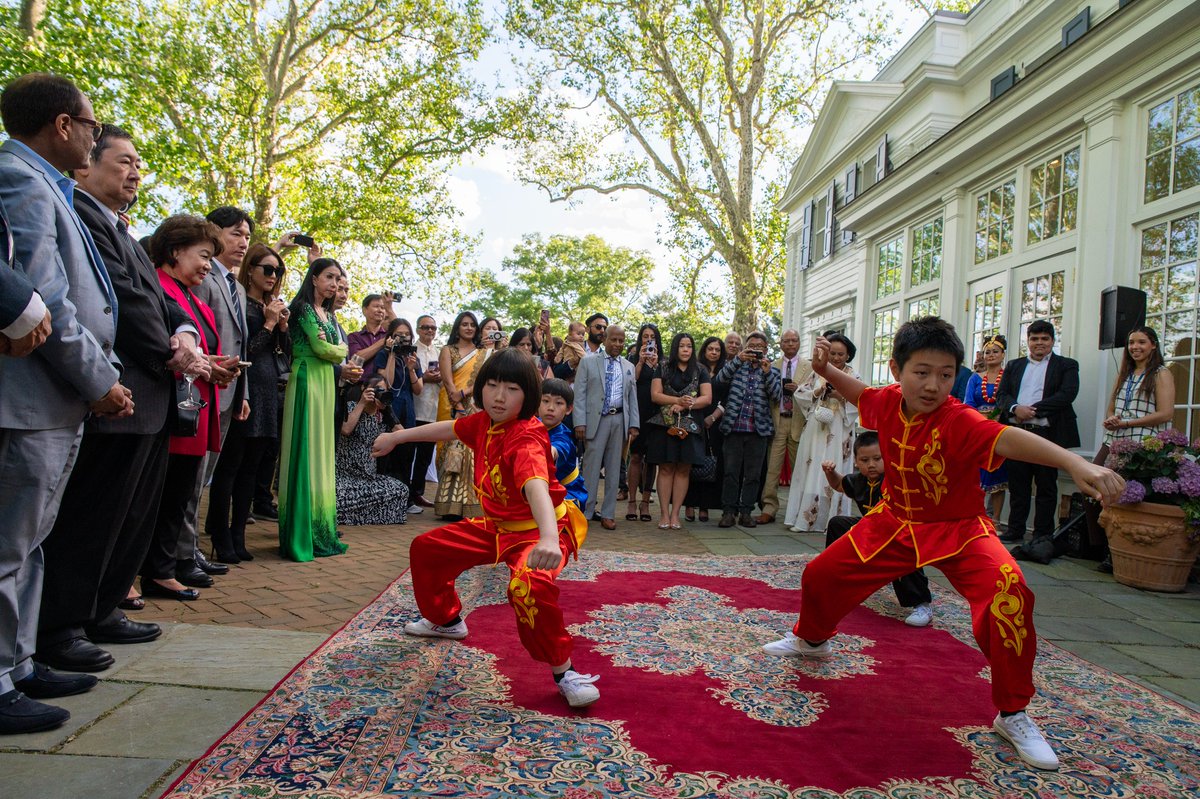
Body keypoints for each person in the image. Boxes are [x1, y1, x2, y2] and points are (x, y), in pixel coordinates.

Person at [762, 316, 1125, 772]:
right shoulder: (887, 401)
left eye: (946, 374)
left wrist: (1076, 465)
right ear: (897, 370)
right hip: (895, 520)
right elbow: (859, 393)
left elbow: (1008, 438)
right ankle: (812, 640)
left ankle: (1013, 714)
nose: (933, 385)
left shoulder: (960, 419)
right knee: (821, 574)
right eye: (922, 372)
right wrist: (825, 370)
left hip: (960, 529)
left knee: (1008, 592)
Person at [39, 125, 206, 671]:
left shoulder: (124, 232)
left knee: (130, 517)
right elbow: (128, 304)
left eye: (139, 164)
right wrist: (174, 353)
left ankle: (103, 607)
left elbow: (163, 300)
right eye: (125, 161)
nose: (136, 172)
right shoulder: (82, 217)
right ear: (86, 164)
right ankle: (62, 626)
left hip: (151, 399)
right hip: (120, 391)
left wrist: (184, 333)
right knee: (93, 517)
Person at [0, 74, 130, 733]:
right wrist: (99, 380)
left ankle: (19, 662)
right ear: (61, 124)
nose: (92, 134)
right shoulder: (20, 180)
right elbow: (45, 298)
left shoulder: (47, 184)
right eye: (90, 124)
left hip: (55, 400)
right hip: (31, 396)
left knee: (31, 542)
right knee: (8, 544)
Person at [371, 349, 599, 708]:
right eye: (492, 385)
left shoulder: (526, 437)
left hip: (540, 529)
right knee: (428, 548)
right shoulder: (485, 422)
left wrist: (549, 539)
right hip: (497, 527)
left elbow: (536, 486)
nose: (499, 396)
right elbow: (449, 428)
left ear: (528, 395)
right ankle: (446, 620)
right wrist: (397, 437)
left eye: (511, 389)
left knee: (527, 586)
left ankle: (565, 672)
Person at [141, 216, 228, 603]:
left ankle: (163, 569)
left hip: (195, 406)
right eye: (204, 255)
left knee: (179, 493)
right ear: (175, 251)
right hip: (168, 406)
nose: (208, 265)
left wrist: (216, 366)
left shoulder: (196, 300)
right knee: (158, 495)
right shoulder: (159, 287)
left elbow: (201, 350)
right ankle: (151, 569)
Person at [206, 244, 292, 563]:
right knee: (230, 467)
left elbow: (284, 355)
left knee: (252, 470)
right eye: (267, 269)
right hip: (244, 388)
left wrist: (281, 327)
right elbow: (246, 352)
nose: (273, 275)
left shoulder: (271, 306)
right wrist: (268, 324)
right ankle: (219, 534)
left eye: (278, 271)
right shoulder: (240, 301)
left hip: (268, 392)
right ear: (251, 270)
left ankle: (238, 535)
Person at [821, 431, 933, 627]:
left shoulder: (897, 480)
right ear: (856, 462)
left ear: (887, 457)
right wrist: (830, 472)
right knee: (838, 524)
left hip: (897, 533)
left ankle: (921, 604)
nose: (871, 464)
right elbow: (838, 484)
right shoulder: (858, 481)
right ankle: (837, 581)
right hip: (870, 530)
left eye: (877, 459)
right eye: (865, 460)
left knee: (907, 551)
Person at [278, 258, 350, 561]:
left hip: (325, 381)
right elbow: (323, 349)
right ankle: (301, 531)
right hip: (306, 377)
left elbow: (336, 348)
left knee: (322, 450)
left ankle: (320, 527)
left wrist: (335, 349)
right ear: (314, 278)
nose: (334, 284)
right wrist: (339, 350)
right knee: (306, 449)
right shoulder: (303, 309)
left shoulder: (328, 314)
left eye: (338, 279)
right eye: (329, 277)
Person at [994, 321, 1080, 564]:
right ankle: (1015, 529)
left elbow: (1067, 394)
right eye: (1034, 338)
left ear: (1052, 341)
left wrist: (1032, 410)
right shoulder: (1014, 365)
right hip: (1017, 433)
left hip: (1047, 434)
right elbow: (1002, 395)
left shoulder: (1066, 365)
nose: (1039, 343)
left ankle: (1042, 533)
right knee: (1018, 484)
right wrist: (1015, 408)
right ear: (1028, 341)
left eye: (1044, 338)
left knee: (1046, 485)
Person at [1090, 325, 1174, 572]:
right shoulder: (1125, 373)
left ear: (1153, 345)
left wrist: (1128, 422)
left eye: (1141, 342)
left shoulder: (1160, 373)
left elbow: (1165, 413)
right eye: (1131, 343)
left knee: (1123, 494)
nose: (1135, 347)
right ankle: (1099, 546)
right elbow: (1112, 407)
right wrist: (1112, 419)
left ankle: (1114, 553)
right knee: (1091, 482)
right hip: (1114, 438)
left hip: (1142, 442)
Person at [784, 332, 860, 532]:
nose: (836, 358)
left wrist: (840, 396)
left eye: (841, 354)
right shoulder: (818, 372)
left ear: (848, 355)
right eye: (832, 353)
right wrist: (819, 391)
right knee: (812, 467)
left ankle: (833, 520)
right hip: (817, 427)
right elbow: (800, 393)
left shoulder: (853, 376)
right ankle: (805, 518)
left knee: (835, 468)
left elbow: (860, 401)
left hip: (840, 428)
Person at [711, 331, 781, 528]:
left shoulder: (773, 371)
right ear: (745, 348)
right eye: (752, 346)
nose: (756, 350)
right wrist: (738, 360)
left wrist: (767, 373)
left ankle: (746, 512)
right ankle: (728, 512)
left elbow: (777, 396)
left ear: (766, 349)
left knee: (753, 475)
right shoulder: (735, 365)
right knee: (730, 473)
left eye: (760, 347)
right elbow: (719, 380)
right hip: (733, 428)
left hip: (758, 431)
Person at [573, 325, 640, 529]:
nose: (618, 344)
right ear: (605, 339)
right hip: (596, 421)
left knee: (614, 468)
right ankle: (586, 511)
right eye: (614, 340)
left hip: (619, 420)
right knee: (591, 468)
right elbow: (580, 394)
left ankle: (608, 514)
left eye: (621, 341)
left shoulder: (628, 366)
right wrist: (579, 422)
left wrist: (634, 424)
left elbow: (632, 398)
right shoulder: (588, 362)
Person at [646, 333, 712, 529]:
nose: (685, 349)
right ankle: (664, 514)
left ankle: (676, 515)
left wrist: (686, 405)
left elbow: (707, 398)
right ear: (675, 348)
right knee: (666, 468)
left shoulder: (700, 369)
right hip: (665, 424)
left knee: (683, 469)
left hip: (691, 424)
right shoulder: (663, 367)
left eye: (689, 346)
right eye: (682, 346)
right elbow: (655, 395)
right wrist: (677, 400)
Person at [336, 375, 410, 525]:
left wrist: (388, 409)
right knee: (339, 495)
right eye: (377, 390)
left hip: (369, 478)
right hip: (345, 476)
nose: (380, 393)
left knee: (401, 490)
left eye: (384, 391)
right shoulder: (351, 407)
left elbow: (403, 436)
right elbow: (346, 429)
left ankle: (356, 512)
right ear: (364, 389)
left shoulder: (382, 416)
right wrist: (362, 403)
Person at [435, 311, 483, 519]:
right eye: (465, 324)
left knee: (470, 452)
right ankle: (448, 504)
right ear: (458, 327)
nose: (469, 328)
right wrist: (458, 404)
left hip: (474, 405)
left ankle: (468, 503)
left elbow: (483, 379)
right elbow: (447, 380)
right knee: (448, 450)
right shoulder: (448, 350)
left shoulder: (482, 353)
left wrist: (465, 394)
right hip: (450, 404)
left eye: (472, 324)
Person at [376, 317, 425, 512]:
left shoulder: (414, 358)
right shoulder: (384, 354)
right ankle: (385, 500)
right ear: (390, 337)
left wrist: (411, 370)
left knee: (406, 455)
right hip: (390, 408)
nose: (403, 338)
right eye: (399, 335)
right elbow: (387, 382)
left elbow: (419, 389)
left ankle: (406, 500)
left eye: (406, 335)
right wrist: (391, 353)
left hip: (408, 408)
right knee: (387, 457)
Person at [759, 329, 805, 523]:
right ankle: (769, 508)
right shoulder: (771, 366)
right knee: (772, 468)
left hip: (799, 421)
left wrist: (799, 389)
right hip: (777, 420)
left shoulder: (809, 367)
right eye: (787, 341)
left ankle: (800, 509)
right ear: (780, 344)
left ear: (799, 342)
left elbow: (815, 392)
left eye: (794, 340)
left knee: (800, 469)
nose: (791, 344)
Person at [964, 335, 1009, 521]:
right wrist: (980, 419)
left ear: (1003, 354)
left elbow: (1008, 400)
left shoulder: (1007, 377)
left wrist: (996, 416)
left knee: (998, 475)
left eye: (995, 352)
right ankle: (975, 518)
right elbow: (968, 403)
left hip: (1000, 431)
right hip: (978, 431)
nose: (991, 355)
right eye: (987, 352)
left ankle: (995, 520)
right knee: (976, 475)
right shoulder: (975, 379)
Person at [684, 336, 728, 523]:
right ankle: (689, 504)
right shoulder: (695, 368)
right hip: (694, 418)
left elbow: (727, 398)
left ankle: (705, 505)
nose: (714, 352)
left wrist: (714, 417)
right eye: (710, 349)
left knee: (711, 464)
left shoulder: (725, 371)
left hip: (716, 422)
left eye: (717, 350)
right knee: (692, 461)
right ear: (704, 350)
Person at [626, 324, 663, 521]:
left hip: (656, 415)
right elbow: (630, 382)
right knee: (635, 457)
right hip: (637, 412)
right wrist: (640, 362)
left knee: (652, 460)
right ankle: (632, 501)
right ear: (640, 338)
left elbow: (665, 386)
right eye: (645, 336)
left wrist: (656, 366)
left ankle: (646, 502)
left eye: (652, 336)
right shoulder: (632, 359)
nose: (649, 339)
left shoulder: (663, 361)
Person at [540, 378, 588, 508]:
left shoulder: (563, 436)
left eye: (558, 403)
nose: (551, 408)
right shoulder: (531, 424)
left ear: (568, 409)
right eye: (545, 401)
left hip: (568, 493)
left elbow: (556, 450)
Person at [410, 314, 441, 507]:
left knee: (425, 456)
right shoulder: (412, 351)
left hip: (433, 410)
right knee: (407, 454)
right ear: (418, 329)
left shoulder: (440, 352)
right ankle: (405, 494)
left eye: (433, 328)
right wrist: (425, 378)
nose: (430, 330)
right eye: (426, 327)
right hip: (414, 408)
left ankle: (418, 493)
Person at [347, 294, 394, 380]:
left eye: (383, 308)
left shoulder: (390, 335)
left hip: (385, 385)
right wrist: (382, 342)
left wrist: (390, 309)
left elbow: (401, 329)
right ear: (364, 310)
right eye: (376, 306)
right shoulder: (354, 337)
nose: (380, 310)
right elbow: (355, 359)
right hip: (360, 385)